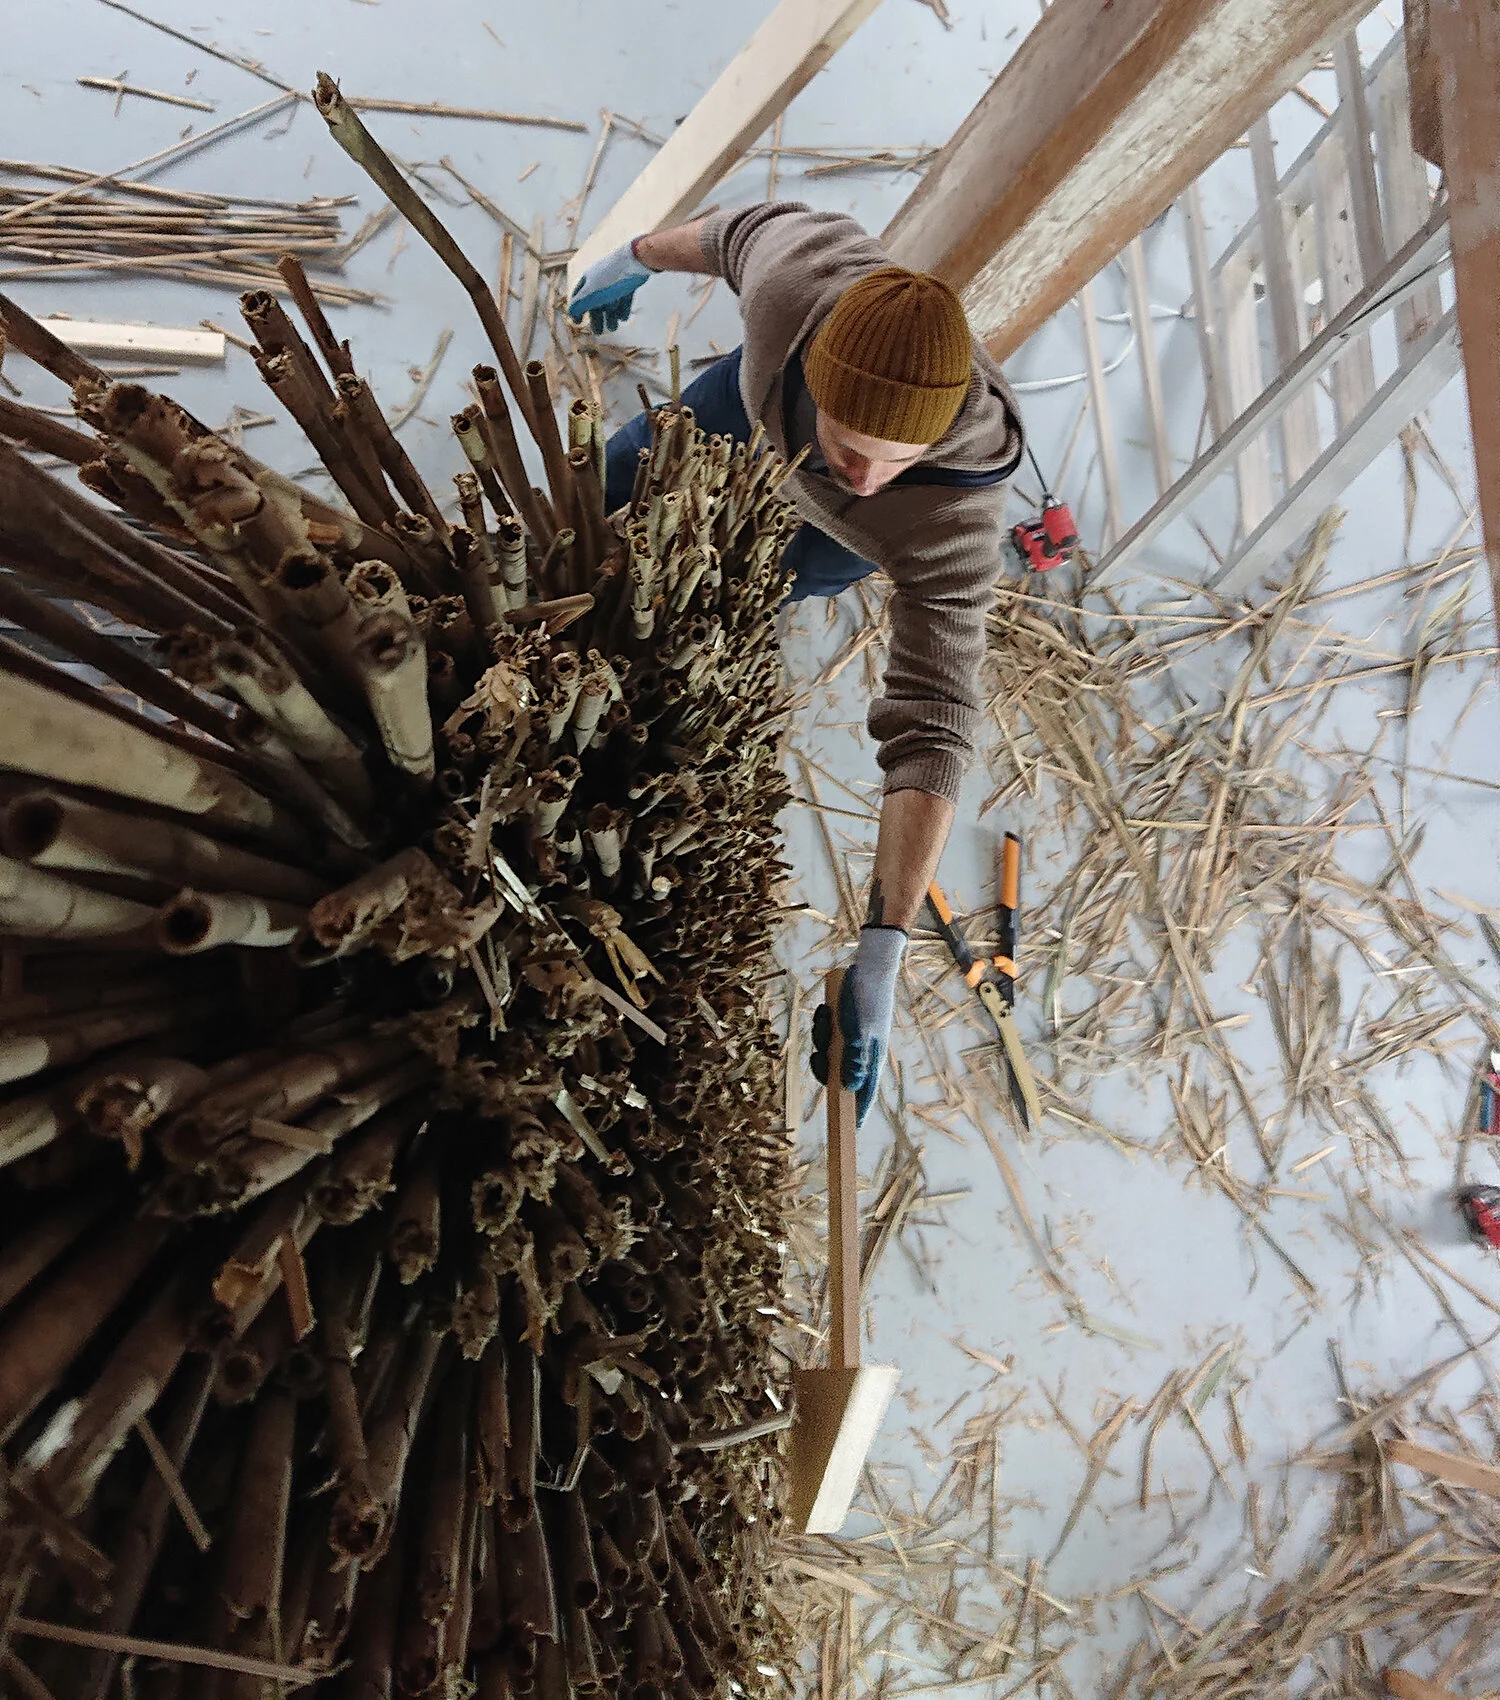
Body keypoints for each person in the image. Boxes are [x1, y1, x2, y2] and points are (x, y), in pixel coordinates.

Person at [569, 203, 1024, 1126]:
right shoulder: (791, 285)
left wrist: (886, 942)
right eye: (855, 449)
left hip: (832, 544)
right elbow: (731, 231)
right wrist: (635, 256)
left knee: (773, 575)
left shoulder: (950, 524)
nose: (866, 476)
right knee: (614, 479)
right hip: (742, 407)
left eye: (897, 463)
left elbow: (934, 727)